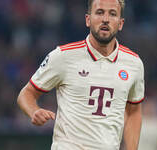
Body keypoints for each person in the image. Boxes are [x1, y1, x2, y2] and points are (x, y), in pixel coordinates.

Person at [17, 0, 145, 150]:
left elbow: (134, 110)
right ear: (88, 20)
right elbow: (26, 94)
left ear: (121, 23)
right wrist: (34, 111)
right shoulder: (63, 56)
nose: (105, 19)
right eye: (99, 12)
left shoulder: (134, 63)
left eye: (112, 14)